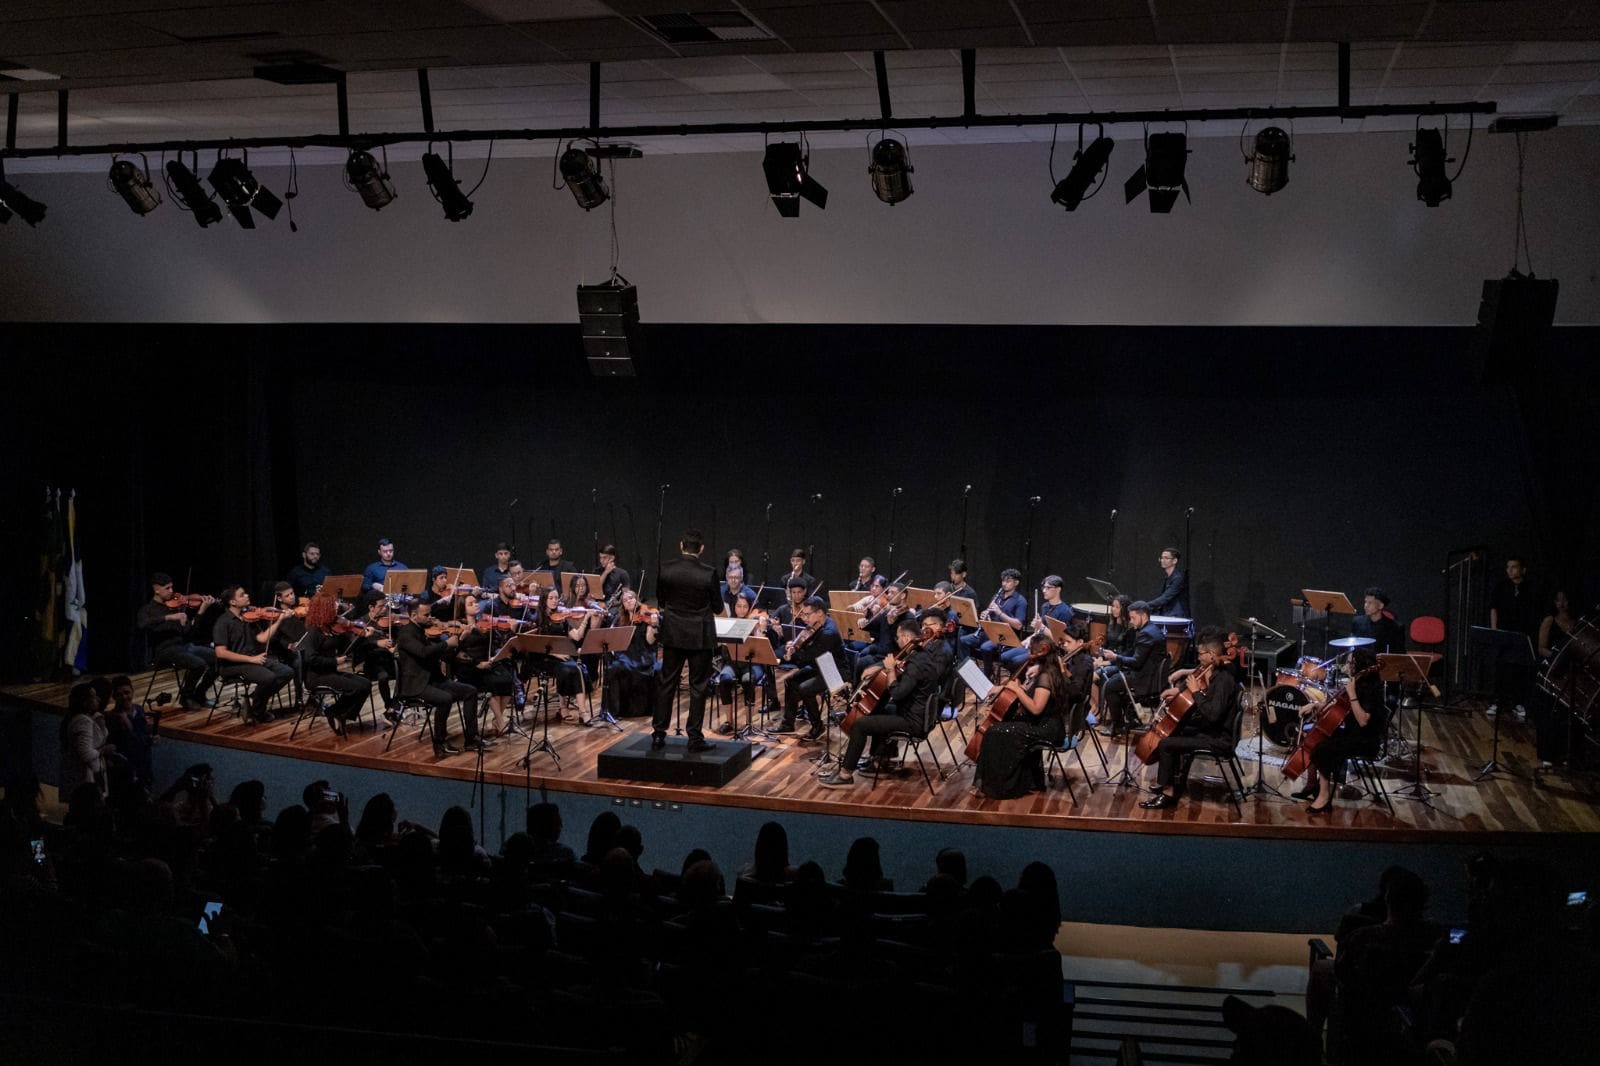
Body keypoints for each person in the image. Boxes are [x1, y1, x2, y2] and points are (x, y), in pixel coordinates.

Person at [820, 613, 949, 786]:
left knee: (860, 724)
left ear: (905, 637)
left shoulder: (916, 664)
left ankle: (845, 774)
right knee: (878, 709)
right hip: (915, 712)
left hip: (913, 721)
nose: (897, 641)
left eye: (897, 637)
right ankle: (880, 761)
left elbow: (897, 693)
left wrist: (890, 671)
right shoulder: (921, 655)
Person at [1139, 628, 1241, 809]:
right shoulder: (1212, 672)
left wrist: (1195, 692)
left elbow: (1213, 715)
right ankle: (1174, 781)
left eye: (1201, 654)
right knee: (1177, 729)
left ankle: (1168, 793)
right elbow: (1197, 687)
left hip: (1218, 738)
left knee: (1166, 744)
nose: (1199, 658)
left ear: (1211, 654)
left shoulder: (1224, 680)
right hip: (1210, 730)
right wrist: (1178, 691)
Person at [651, 528, 722, 751]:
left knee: (667, 683)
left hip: (673, 634)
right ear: (701, 549)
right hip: (700, 636)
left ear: (681, 546)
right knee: (698, 687)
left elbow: (661, 602)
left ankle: (658, 734)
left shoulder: (666, 569)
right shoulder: (708, 573)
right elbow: (718, 607)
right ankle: (694, 738)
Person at [1293, 646, 1386, 814]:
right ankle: (1312, 785)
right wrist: (1315, 705)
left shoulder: (1372, 689)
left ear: (1359, 665)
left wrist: (1352, 694)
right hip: (1353, 734)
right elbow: (1338, 707)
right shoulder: (1358, 683)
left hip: (1365, 741)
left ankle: (1323, 797)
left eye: (1350, 663)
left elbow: (1363, 721)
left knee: (1322, 750)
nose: (1347, 666)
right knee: (1313, 737)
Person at [977, 631, 1067, 798]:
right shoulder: (1047, 669)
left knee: (995, 732)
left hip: (1046, 728)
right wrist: (1020, 689)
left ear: (1042, 651)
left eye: (1031, 651)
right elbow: (1036, 696)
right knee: (998, 728)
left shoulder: (1047, 676)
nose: (1028, 654)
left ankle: (1002, 786)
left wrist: (1017, 689)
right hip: (1041, 722)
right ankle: (1005, 781)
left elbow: (1035, 708)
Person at [393, 598, 485, 758]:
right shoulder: (406, 634)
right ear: (414, 615)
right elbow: (423, 652)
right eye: (426, 615)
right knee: (445, 699)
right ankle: (439, 743)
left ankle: (471, 738)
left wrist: (460, 641)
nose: (431, 618)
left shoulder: (422, 631)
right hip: (416, 684)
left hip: (433, 680)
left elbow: (444, 657)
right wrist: (446, 644)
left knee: (470, 691)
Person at [212, 584, 295, 723]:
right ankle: (258, 711)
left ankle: (253, 700)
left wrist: (279, 620)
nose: (247, 596)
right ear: (232, 602)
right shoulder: (223, 622)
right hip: (232, 665)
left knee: (286, 672)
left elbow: (262, 638)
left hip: (252, 660)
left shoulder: (248, 618)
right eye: (242, 595)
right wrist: (251, 660)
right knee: (268, 677)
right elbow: (220, 653)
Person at [135, 573, 217, 708]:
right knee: (199, 664)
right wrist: (169, 617)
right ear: (157, 590)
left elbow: (188, 633)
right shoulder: (148, 610)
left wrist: (200, 612)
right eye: (167, 588)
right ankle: (186, 697)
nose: (172, 591)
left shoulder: (176, 607)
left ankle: (199, 694)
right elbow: (142, 625)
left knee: (218, 658)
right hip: (164, 650)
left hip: (184, 646)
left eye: (172, 587)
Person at [299, 595, 376, 729]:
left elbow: (347, 649)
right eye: (332, 604)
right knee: (355, 687)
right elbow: (310, 658)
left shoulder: (331, 628)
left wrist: (360, 635)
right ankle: (334, 712)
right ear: (323, 609)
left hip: (330, 673)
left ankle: (341, 715)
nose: (336, 606)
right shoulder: (314, 631)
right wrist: (334, 661)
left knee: (366, 684)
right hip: (317, 677)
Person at [775, 595, 843, 740]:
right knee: (791, 681)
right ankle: (788, 724)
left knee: (805, 688)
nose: (804, 618)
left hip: (834, 672)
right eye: (803, 614)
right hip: (820, 666)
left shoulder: (828, 632)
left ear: (819, 613)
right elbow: (807, 649)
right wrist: (794, 645)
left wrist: (793, 654)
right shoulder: (816, 626)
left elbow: (810, 657)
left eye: (807, 614)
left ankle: (818, 726)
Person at [1097, 600, 1165, 736]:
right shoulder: (1153, 629)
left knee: (1110, 686)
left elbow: (1136, 662)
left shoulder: (1146, 634)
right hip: (1147, 674)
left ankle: (1118, 726)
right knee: (1114, 680)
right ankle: (1130, 718)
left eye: (1133, 618)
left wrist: (1115, 657)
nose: (1132, 622)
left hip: (1144, 678)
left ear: (1143, 616)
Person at [1487, 555, 1538, 719]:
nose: (1510, 570)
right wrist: (1495, 630)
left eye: (1514, 567)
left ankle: (1518, 702)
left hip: (1522, 634)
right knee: (1500, 667)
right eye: (1508, 567)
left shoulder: (1530, 588)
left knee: (1520, 669)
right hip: (1504, 633)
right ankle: (1496, 701)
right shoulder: (1501, 587)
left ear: (1523, 569)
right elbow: (1493, 608)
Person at [1535, 589, 1577, 768]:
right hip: (1553, 671)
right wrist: (1557, 658)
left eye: (1565, 600)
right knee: (1549, 714)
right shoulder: (1549, 621)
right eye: (1558, 600)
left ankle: (1569, 754)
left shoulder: (1577, 624)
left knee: (1568, 715)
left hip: (1571, 674)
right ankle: (1548, 754)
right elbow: (1541, 648)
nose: (1562, 603)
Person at [1002, 574, 1074, 672]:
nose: (1044, 590)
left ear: (1058, 589)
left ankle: (1021, 682)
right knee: (1004, 656)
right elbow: (1039, 631)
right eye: (1043, 587)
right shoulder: (1045, 606)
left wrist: (1042, 627)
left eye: (1048, 588)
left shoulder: (1065, 612)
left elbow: (1060, 640)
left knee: (1016, 661)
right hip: (1037, 644)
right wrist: (1029, 638)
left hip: (1050, 650)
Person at [964, 568, 1028, 677]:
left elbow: (1018, 625)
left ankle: (987, 675)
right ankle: (967, 671)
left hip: (1007, 636)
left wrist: (999, 613)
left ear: (1016, 583)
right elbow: (990, 616)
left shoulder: (1020, 601)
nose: (1004, 584)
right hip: (991, 632)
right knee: (964, 640)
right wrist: (985, 616)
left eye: (1008, 581)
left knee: (985, 647)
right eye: (1003, 581)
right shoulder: (997, 596)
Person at [605, 588, 659, 718]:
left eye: (631, 598)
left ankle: (644, 710)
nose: (629, 601)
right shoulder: (619, 619)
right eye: (625, 600)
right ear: (622, 605)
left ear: (637, 599)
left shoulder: (646, 616)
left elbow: (650, 641)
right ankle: (616, 710)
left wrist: (653, 625)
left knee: (649, 668)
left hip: (643, 654)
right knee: (615, 668)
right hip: (625, 655)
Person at [59, 682, 113, 800]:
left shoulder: (82, 718)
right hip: (84, 778)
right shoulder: (83, 721)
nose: (97, 698)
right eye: (93, 697)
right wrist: (103, 750)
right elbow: (86, 754)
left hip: (85, 775)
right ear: (85, 702)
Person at [102, 675, 154, 793]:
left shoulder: (139, 709)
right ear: (114, 696)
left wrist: (151, 739)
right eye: (119, 694)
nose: (124, 697)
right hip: (126, 765)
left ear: (132, 691)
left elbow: (143, 734)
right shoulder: (111, 717)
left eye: (127, 692)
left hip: (144, 762)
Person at [1350, 586, 1405, 652]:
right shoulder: (1358, 622)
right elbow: (1352, 647)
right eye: (1365, 602)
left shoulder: (1395, 627)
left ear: (1380, 606)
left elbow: (1399, 653)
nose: (1366, 606)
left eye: (1370, 603)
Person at [1147, 547, 1189, 619]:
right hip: (1168, 614)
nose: (1162, 560)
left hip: (1177, 616)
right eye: (1162, 558)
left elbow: (1165, 598)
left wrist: (1145, 605)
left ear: (1175, 560)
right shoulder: (1168, 577)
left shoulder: (1178, 578)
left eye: (1166, 558)